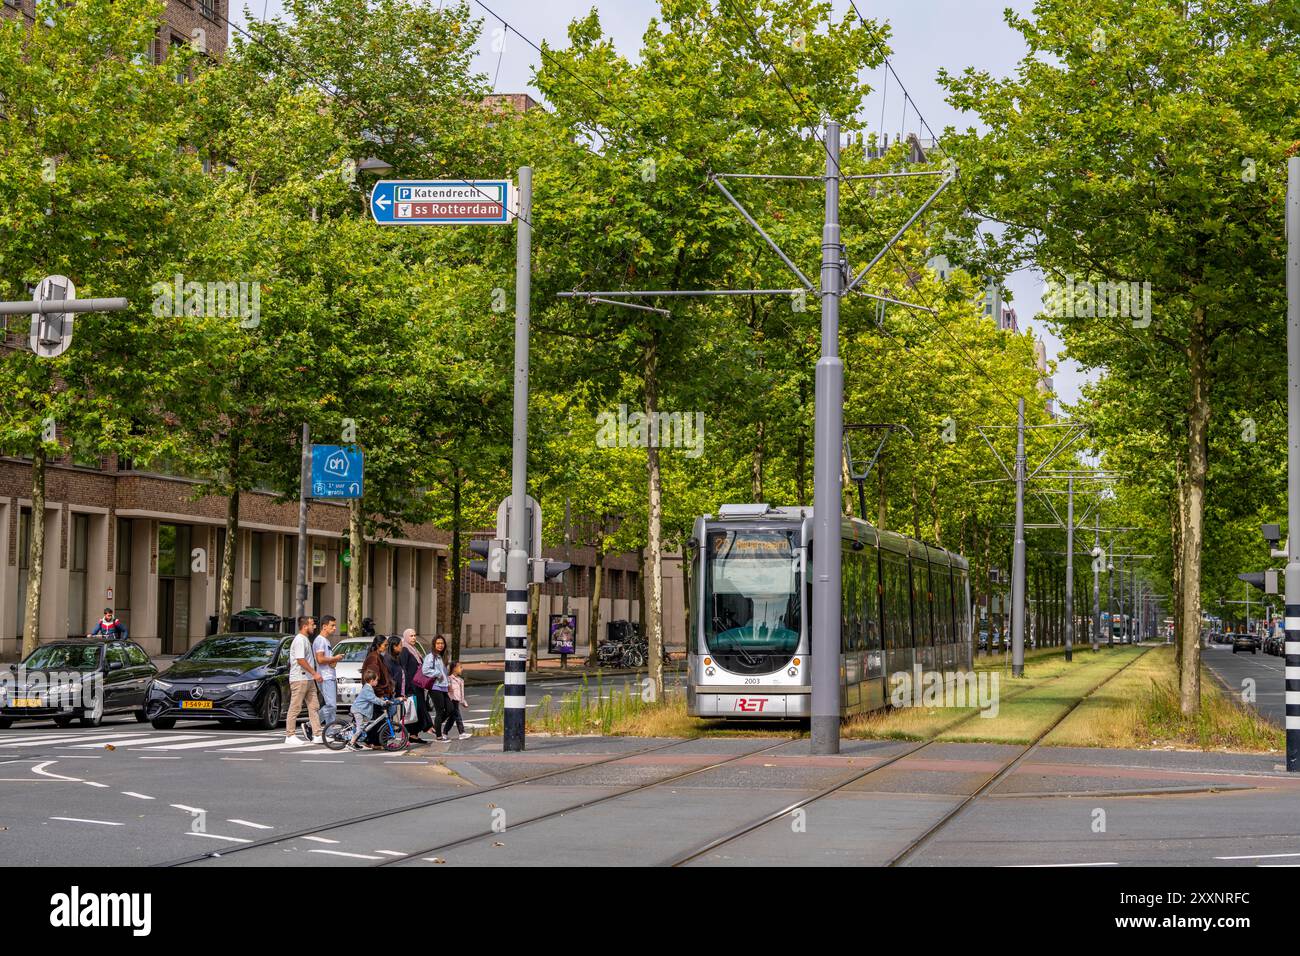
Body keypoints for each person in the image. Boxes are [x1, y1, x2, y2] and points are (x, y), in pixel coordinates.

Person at [284, 616, 322, 746]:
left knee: (314, 706)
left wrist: (313, 675)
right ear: (305, 626)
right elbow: (300, 660)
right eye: (312, 624)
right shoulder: (300, 640)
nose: (314, 626)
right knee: (295, 707)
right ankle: (290, 735)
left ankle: (317, 734)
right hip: (300, 678)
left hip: (308, 678)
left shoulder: (305, 639)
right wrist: (314, 673)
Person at [400, 629, 433, 740]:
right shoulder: (405, 649)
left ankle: (414, 735)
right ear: (406, 637)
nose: (414, 638)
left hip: (418, 684)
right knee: (416, 708)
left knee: (417, 708)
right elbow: (403, 668)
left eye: (415, 635)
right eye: (411, 636)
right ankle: (427, 727)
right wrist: (405, 686)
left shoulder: (414, 649)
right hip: (411, 686)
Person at [313, 615, 344, 728]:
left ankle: (330, 731)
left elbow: (325, 660)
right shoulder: (320, 640)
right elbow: (320, 659)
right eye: (332, 625)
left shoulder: (326, 641)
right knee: (331, 705)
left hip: (329, 675)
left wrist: (334, 659)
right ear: (324, 626)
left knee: (331, 706)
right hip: (325, 677)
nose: (335, 628)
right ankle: (311, 724)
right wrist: (335, 658)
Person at [348, 669, 386, 752]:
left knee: (366, 724)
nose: (377, 682)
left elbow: (373, 698)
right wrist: (383, 703)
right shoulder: (367, 689)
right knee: (360, 728)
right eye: (376, 680)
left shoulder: (368, 687)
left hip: (361, 710)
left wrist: (381, 699)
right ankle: (351, 743)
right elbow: (373, 699)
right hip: (359, 710)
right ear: (372, 681)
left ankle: (356, 741)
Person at [422, 634, 451, 741]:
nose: (440, 645)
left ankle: (435, 727)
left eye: (442, 643)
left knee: (450, 709)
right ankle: (439, 736)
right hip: (435, 686)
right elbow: (425, 670)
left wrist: (448, 683)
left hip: (443, 686)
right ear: (434, 644)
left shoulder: (443, 656)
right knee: (440, 711)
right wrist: (437, 673)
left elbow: (445, 672)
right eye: (438, 643)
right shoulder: (431, 656)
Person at [443, 660, 472, 740]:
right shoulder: (449, 679)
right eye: (460, 667)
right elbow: (447, 689)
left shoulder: (460, 680)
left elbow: (461, 693)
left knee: (452, 718)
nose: (462, 669)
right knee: (458, 716)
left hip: (457, 700)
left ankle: (444, 733)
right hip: (451, 700)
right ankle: (462, 733)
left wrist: (463, 701)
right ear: (454, 669)